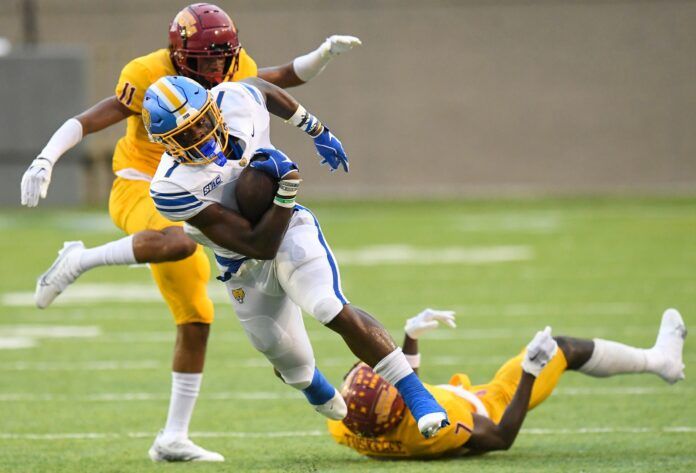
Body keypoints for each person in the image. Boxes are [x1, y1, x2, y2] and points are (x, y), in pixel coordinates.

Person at [21, 3, 360, 462]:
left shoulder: (234, 70)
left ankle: (172, 438)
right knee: (181, 241)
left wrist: (322, 56)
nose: (217, 70)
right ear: (178, 55)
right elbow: (91, 117)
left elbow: (275, 80)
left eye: (223, 59)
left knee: (197, 316)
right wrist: (46, 157)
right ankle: (79, 259)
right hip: (146, 184)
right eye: (205, 62)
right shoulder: (147, 73)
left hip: (205, 182)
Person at [144, 74, 450, 454]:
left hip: (290, 229)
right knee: (286, 359)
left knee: (327, 304)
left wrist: (316, 129)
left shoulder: (234, 100)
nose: (202, 135)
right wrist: (286, 188)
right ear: (166, 144)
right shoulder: (172, 187)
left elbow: (263, 88)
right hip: (244, 260)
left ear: (213, 108)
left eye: (204, 121)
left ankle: (418, 398)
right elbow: (259, 246)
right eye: (186, 135)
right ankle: (311, 384)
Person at [328, 308, 686, 458]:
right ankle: (661, 362)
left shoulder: (346, 427)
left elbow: (400, 401)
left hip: (443, 403)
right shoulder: (444, 422)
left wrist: (411, 341)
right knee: (563, 349)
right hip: (491, 403)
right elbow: (500, 437)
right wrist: (530, 371)